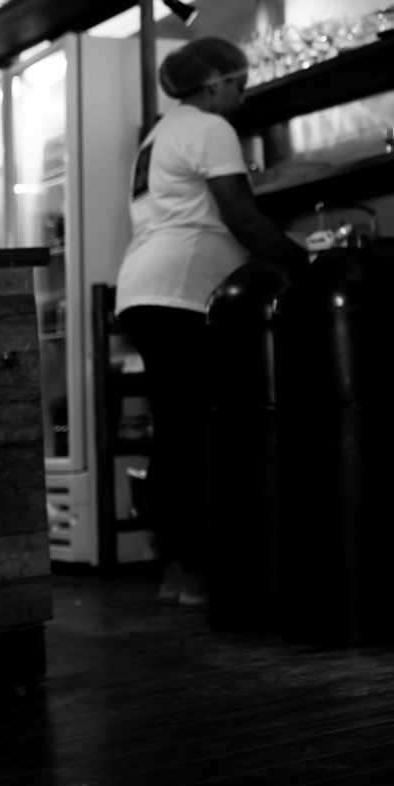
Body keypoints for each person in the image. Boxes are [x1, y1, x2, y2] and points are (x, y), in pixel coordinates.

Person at [115, 37, 306, 607]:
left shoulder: (159, 133)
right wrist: (305, 264)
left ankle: (178, 570)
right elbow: (243, 219)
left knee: (175, 430)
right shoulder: (209, 126)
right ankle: (193, 572)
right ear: (215, 82)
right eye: (238, 86)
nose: (242, 99)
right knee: (193, 434)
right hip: (180, 292)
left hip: (146, 286)